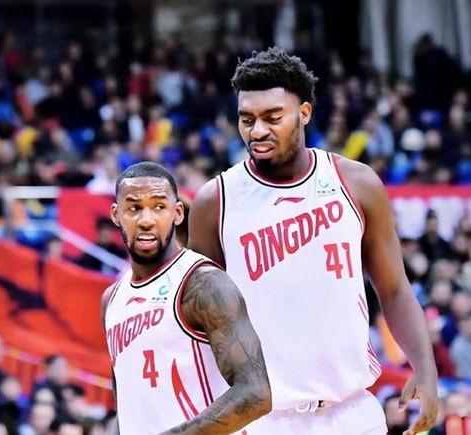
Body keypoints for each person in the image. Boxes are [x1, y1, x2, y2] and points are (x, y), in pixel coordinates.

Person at [188, 47, 438, 435]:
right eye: (246, 119)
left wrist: (425, 367)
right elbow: (199, 321)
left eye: (273, 117)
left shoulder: (356, 183)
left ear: (304, 112)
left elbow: (394, 289)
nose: (257, 131)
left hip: (353, 411)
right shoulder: (214, 202)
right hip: (263, 420)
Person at [100, 161, 271, 434]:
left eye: (159, 207)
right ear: (116, 215)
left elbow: (256, 393)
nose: (146, 220)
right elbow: (126, 407)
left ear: (177, 213)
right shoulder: (112, 299)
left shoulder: (202, 283)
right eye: (134, 208)